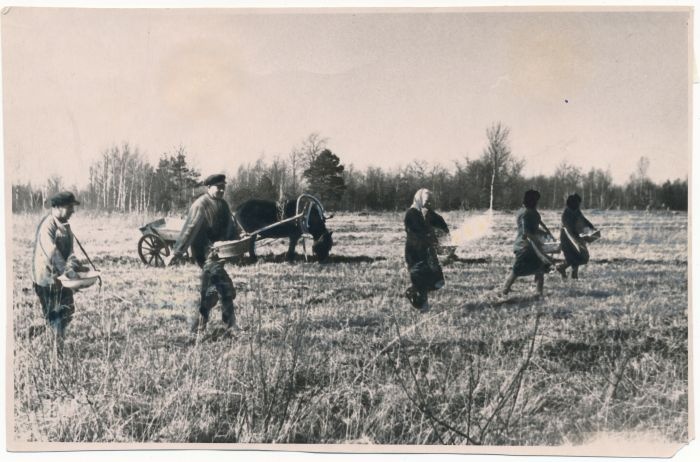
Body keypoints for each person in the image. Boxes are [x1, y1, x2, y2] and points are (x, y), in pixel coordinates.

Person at [170, 174, 241, 332]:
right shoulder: (200, 205)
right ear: (209, 188)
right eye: (218, 187)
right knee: (225, 288)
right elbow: (189, 229)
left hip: (220, 253)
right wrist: (177, 252)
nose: (222, 190)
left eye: (224, 187)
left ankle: (199, 327)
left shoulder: (223, 204)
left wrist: (237, 237)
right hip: (205, 253)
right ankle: (230, 327)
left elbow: (230, 225)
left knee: (213, 290)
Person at [31, 191, 86, 337]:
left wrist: (76, 266)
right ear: (57, 207)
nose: (73, 211)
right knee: (55, 317)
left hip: (62, 279)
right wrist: (69, 273)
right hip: (47, 280)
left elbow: (71, 252)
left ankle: (55, 337)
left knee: (68, 311)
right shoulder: (47, 227)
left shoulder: (66, 226)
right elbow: (53, 253)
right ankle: (56, 349)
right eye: (70, 207)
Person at [501, 189, 555, 297]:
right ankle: (504, 290)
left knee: (540, 268)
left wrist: (546, 235)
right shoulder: (524, 213)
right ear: (531, 200)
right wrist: (535, 239)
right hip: (524, 246)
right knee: (517, 270)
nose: (537, 202)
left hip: (534, 246)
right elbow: (526, 232)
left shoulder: (533, 212)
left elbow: (534, 229)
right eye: (535, 200)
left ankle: (539, 293)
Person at [404, 188, 449, 312]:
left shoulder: (429, 214)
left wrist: (445, 236)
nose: (429, 204)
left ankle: (415, 293)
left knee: (438, 282)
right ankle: (422, 306)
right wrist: (431, 236)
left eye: (431, 202)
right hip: (415, 253)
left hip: (429, 252)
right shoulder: (411, 214)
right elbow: (417, 233)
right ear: (419, 199)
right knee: (420, 280)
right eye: (427, 201)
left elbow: (441, 225)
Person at [556, 193, 597, 280]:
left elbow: (583, 219)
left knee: (580, 256)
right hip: (567, 238)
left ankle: (565, 269)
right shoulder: (566, 214)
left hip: (577, 236)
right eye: (577, 203)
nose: (579, 205)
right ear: (572, 203)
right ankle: (568, 272)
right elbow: (568, 228)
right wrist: (576, 239)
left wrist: (591, 227)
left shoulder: (576, 210)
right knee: (572, 257)